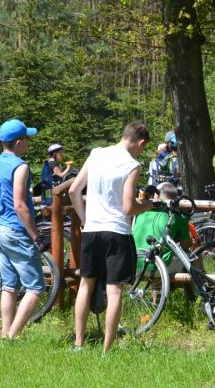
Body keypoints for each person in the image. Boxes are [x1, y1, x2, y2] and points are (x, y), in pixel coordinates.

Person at [69, 122, 153, 353]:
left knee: (85, 285)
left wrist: (85, 219)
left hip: (92, 229)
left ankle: (78, 343)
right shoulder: (131, 165)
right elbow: (128, 207)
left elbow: (74, 190)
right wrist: (147, 205)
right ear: (140, 142)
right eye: (143, 148)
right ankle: (107, 349)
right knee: (114, 290)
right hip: (117, 232)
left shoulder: (96, 154)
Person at [0, 119, 46, 340]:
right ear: (19, 142)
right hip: (15, 230)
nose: (29, 143)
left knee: (9, 286)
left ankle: (5, 334)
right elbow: (20, 205)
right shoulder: (20, 167)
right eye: (27, 139)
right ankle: (13, 335)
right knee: (36, 288)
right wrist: (36, 235)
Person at [131, 181, 191, 274]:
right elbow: (186, 246)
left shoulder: (141, 211)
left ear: (157, 195)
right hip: (160, 268)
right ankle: (200, 281)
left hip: (134, 264)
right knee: (192, 253)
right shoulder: (178, 216)